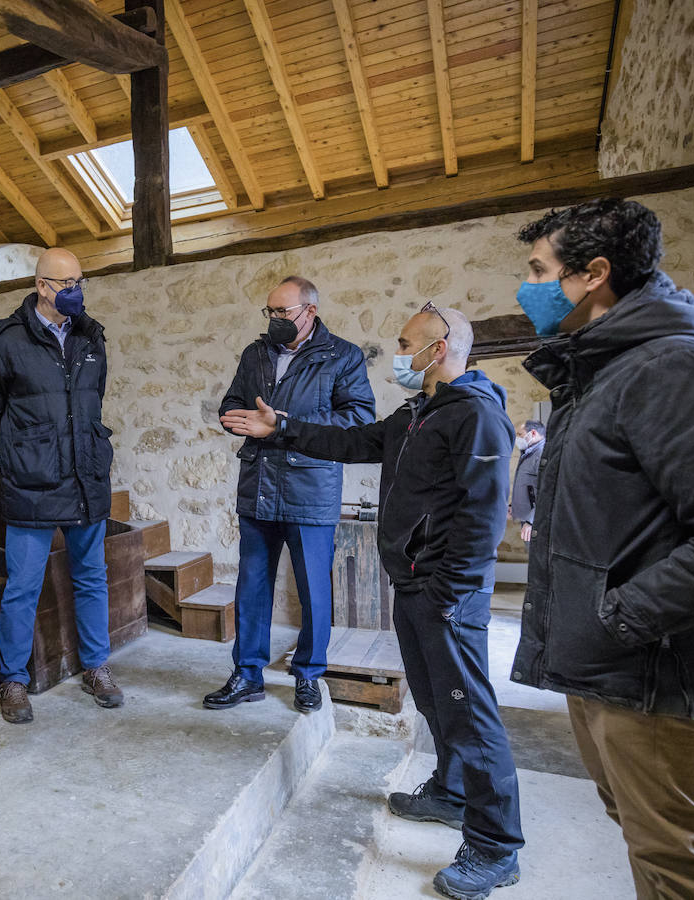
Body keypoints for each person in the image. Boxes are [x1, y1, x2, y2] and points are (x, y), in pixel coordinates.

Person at [221, 303, 524, 900]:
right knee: (437, 697)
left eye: (407, 343)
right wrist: (280, 427)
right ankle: (451, 791)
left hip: (448, 591)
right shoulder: (420, 410)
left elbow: (485, 515)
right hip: (415, 582)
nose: (399, 353)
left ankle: (495, 847)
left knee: (470, 713)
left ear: (440, 349)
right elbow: (356, 440)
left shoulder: (477, 414)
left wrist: (450, 591)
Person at [510, 198, 694, 898]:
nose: (529, 287)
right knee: (643, 837)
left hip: (648, 671)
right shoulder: (602, 372)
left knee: (680, 863)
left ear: (595, 273)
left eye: (540, 271)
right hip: (605, 662)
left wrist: (622, 618)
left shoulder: (667, 366)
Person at [207, 276, 374, 713]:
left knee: (314, 590)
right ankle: (247, 675)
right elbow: (232, 401)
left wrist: (282, 421)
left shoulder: (343, 356)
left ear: (310, 311)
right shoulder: (255, 353)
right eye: (271, 312)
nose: (276, 320)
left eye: (284, 312)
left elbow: (356, 421)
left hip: (311, 487)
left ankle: (308, 675)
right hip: (258, 483)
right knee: (252, 588)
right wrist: (233, 418)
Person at [0, 248, 121, 725]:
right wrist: (22, 455)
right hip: (32, 482)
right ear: (40, 286)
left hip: (85, 476)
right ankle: (13, 680)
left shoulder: (92, 336)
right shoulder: (5, 341)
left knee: (92, 578)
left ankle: (97, 668)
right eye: (65, 283)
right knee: (23, 587)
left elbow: (92, 402)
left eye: (80, 280)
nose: (75, 290)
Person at [509, 419, 545, 542]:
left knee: (537, 558)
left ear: (533, 433)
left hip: (537, 521)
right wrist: (513, 506)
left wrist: (531, 520)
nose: (517, 439)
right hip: (528, 520)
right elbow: (527, 486)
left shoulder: (541, 454)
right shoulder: (528, 453)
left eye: (520, 434)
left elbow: (547, 492)